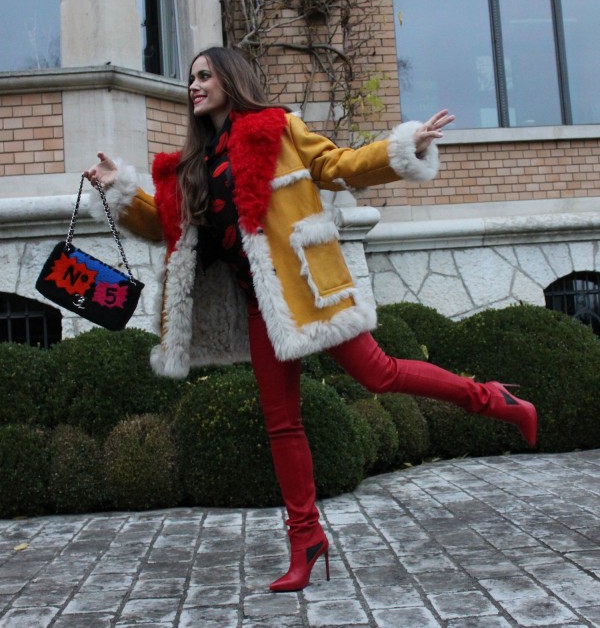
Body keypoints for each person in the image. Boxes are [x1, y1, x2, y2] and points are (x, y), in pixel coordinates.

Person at [84, 46, 537, 593]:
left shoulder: (278, 129)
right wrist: (118, 187)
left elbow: (336, 165)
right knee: (281, 423)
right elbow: (166, 227)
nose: (194, 86)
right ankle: (306, 541)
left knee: (379, 374)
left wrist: (405, 146)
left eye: (205, 76)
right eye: (191, 79)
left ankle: (492, 398)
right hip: (260, 304)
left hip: (308, 286)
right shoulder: (193, 165)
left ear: (231, 80)